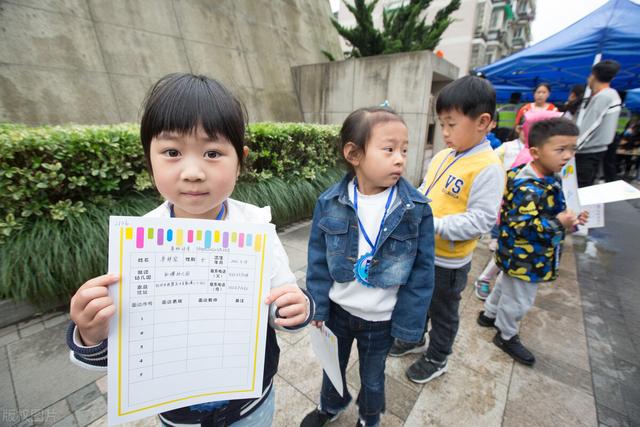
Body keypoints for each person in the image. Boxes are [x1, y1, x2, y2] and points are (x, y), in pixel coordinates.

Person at [66, 73, 315, 426]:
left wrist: (294, 308)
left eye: (213, 152)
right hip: (177, 413)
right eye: (172, 152)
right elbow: (124, 351)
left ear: (239, 160)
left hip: (251, 404)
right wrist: (91, 333)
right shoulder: (139, 243)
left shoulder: (256, 229)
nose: (193, 172)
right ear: (149, 159)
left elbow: (283, 303)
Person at [301, 107, 435, 427]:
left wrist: (409, 326)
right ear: (354, 153)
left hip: (382, 319)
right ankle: (330, 405)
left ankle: (369, 416)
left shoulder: (415, 209)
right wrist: (317, 308)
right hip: (337, 312)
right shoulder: (330, 202)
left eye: (404, 150)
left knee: (373, 376)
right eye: (389, 150)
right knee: (332, 365)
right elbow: (317, 259)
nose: (400, 158)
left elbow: (422, 273)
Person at [388, 76, 505, 384]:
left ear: (482, 122)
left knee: (442, 311)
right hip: (425, 251)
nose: (445, 132)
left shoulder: (488, 167)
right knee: (417, 300)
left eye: (451, 124)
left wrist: (431, 223)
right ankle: (415, 339)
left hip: (449, 263)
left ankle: (438, 356)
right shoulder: (443, 155)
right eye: (441, 124)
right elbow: (427, 190)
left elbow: (481, 219)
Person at [477, 118, 589, 365]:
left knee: (505, 283)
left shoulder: (548, 177)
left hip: (516, 255)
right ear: (536, 152)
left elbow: (552, 212)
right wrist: (560, 222)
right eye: (561, 150)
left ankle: (488, 314)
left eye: (573, 149)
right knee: (518, 300)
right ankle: (506, 335)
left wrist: (570, 217)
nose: (568, 156)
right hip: (526, 256)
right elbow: (525, 227)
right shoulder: (529, 187)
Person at [473, 110, 562, 300]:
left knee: (505, 256)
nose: (566, 155)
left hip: (520, 225)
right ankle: (485, 281)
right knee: (506, 253)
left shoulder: (547, 166)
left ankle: (487, 286)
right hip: (512, 216)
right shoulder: (517, 153)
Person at [575, 60, 622, 187]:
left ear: (593, 76)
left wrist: (573, 148)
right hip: (597, 150)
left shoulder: (603, 97)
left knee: (581, 187)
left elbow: (590, 126)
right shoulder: (612, 95)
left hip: (587, 152)